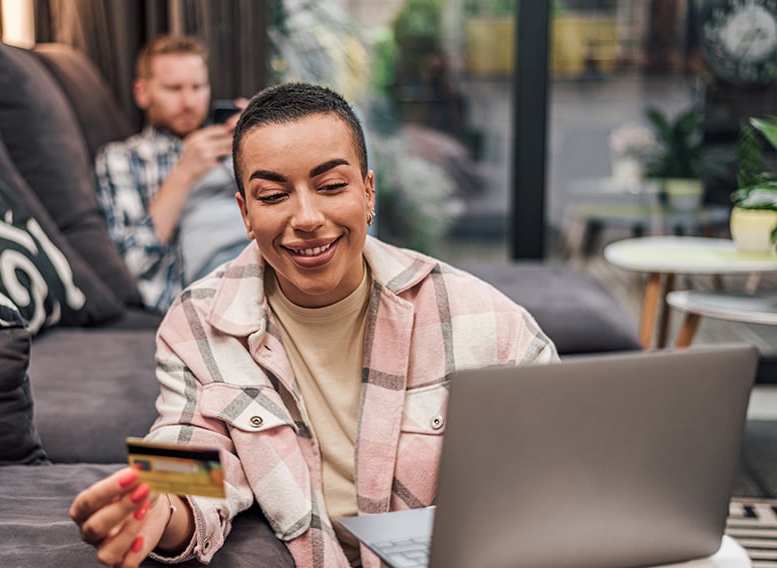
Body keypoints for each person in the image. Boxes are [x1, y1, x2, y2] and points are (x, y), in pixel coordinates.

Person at [71, 82, 558, 568]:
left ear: (368, 193)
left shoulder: (486, 319)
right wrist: (158, 506)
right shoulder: (196, 323)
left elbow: (560, 471)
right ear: (245, 212)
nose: (306, 218)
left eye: (330, 187)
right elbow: (190, 452)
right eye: (273, 195)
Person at [95, 35, 250, 313]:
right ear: (142, 92)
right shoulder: (122, 158)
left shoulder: (233, 139)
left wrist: (260, 138)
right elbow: (136, 261)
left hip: (267, 251)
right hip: (217, 275)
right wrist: (184, 174)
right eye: (174, 88)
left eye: (198, 87)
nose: (189, 101)